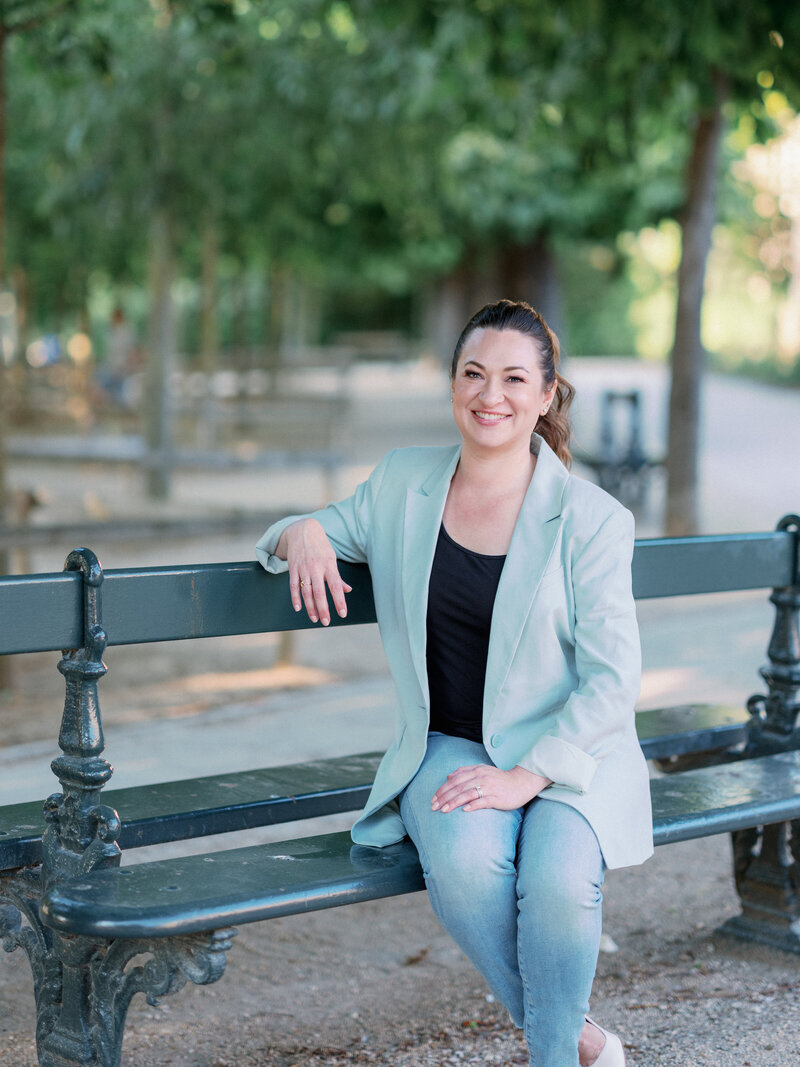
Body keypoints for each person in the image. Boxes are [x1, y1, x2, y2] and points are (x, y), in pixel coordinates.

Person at [256, 299, 653, 1066]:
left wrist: (525, 775)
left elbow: (614, 680)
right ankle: (581, 1042)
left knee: (561, 887)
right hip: (444, 744)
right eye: (473, 373)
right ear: (452, 385)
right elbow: (300, 535)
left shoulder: (592, 519)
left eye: (512, 378)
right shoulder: (404, 483)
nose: (489, 394)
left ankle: (555, 1055)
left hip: (568, 750)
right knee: (470, 871)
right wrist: (300, 528)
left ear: (546, 395)